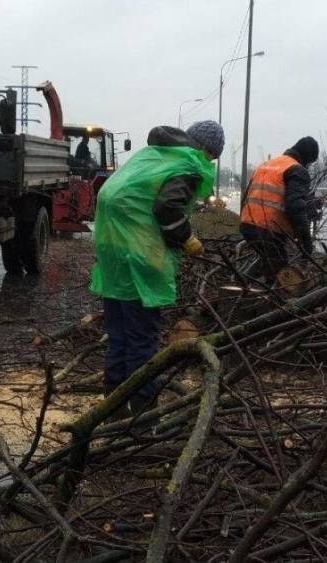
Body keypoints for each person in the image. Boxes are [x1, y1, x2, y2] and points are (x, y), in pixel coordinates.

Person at [90, 120, 223, 418]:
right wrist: (187, 239)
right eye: (212, 157)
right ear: (205, 149)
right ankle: (142, 416)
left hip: (113, 253)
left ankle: (110, 412)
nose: (210, 163)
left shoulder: (152, 155)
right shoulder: (187, 164)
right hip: (140, 258)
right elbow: (167, 209)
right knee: (142, 339)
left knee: (119, 335)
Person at [240, 136, 320, 283]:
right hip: (269, 229)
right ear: (307, 158)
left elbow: (246, 196)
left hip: (247, 224)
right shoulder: (297, 170)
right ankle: (269, 300)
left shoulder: (267, 164)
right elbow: (295, 206)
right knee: (279, 271)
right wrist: (305, 240)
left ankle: (240, 283)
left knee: (269, 259)